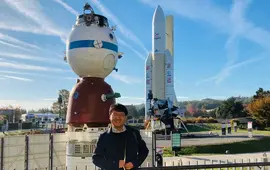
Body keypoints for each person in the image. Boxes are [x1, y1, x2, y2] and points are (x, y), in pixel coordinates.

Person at [92, 103, 149, 170]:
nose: (118, 118)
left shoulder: (134, 133)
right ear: (110, 116)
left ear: (125, 118)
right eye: (115, 114)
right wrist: (115, 164)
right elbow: (96, 158)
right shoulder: (103, 137)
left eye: (121, 115)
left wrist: (134, 163)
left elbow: (144, 151)